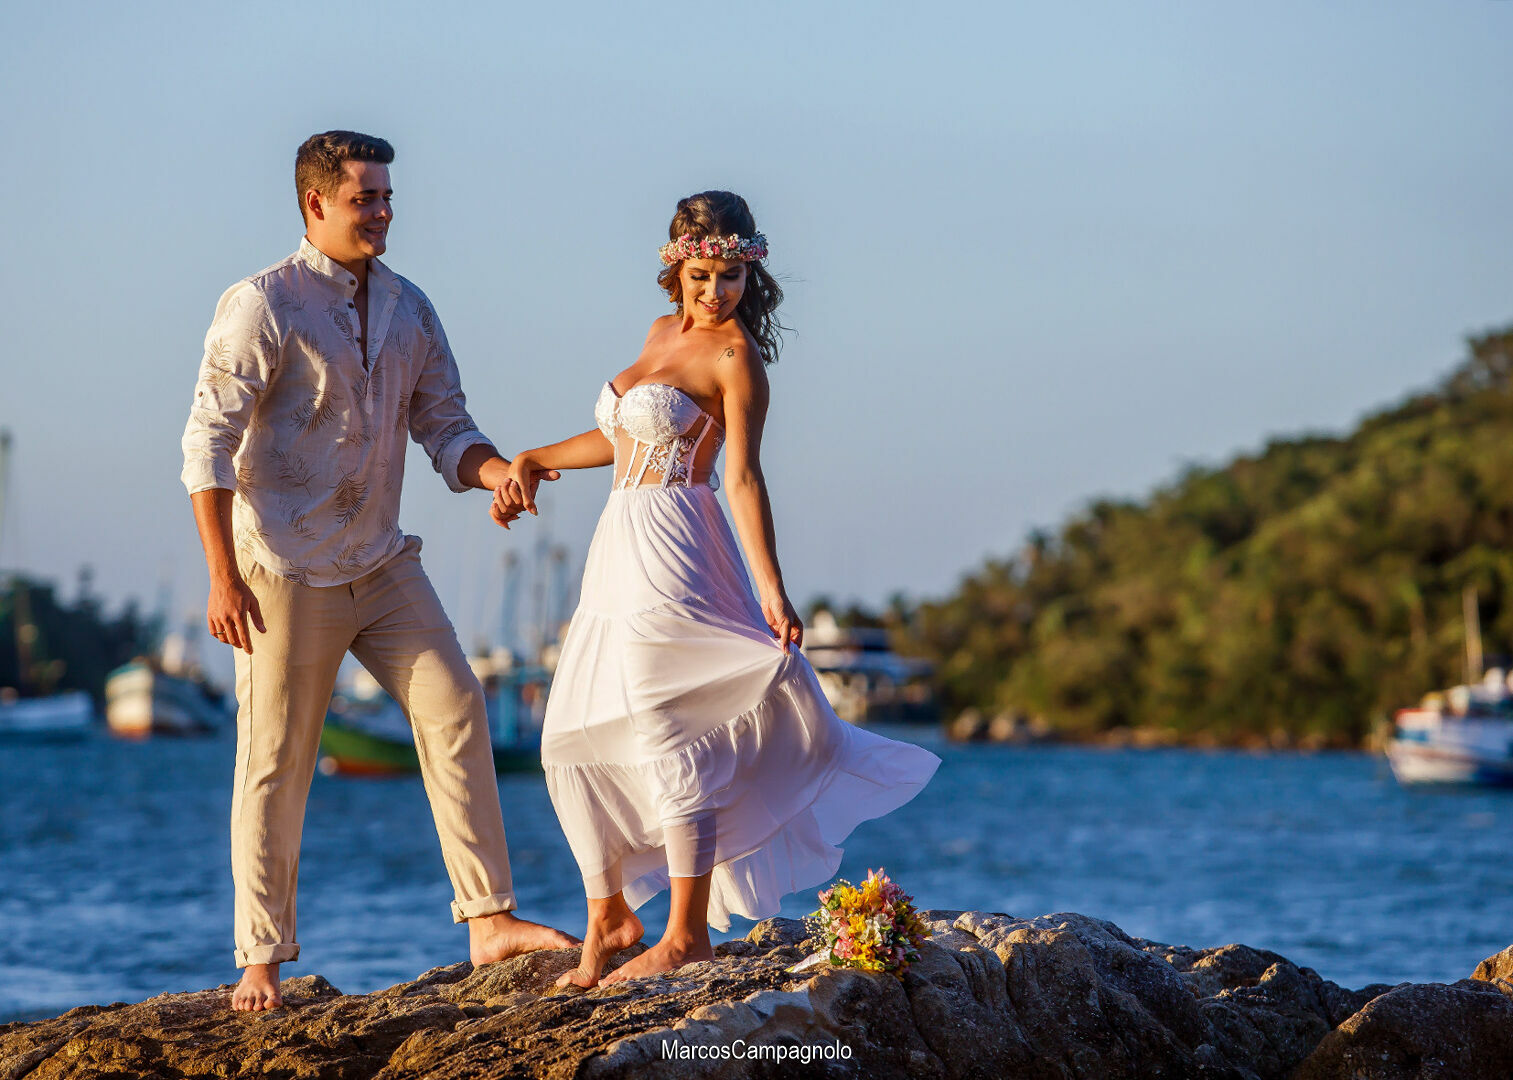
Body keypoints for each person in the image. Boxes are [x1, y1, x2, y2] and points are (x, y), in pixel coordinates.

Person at [493, 191, 940, 986]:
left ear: (747, 271)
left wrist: (771, 588)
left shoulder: (735, 357)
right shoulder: (661, 333)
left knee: (672, 728)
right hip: (615, 549)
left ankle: (685, 933)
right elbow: (622, 433)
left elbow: (741, 476)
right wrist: (532, 456)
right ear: (676, 269)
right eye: (701, 275)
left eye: (729, 276)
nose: (715, 292)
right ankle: (608, 916)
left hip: (679, 545)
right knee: (569, 732)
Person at [180, 130, 573, 1012]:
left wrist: (497, 473)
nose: (384, 211)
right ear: (315, 204)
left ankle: (488, 921)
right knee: (275, 761)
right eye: (366, 197)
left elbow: (446, 426)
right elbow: (204, 446)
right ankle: (260, 961)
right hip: (279, 567)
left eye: (388, 195)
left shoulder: (410, 307)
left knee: (456, 703)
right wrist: (221, 575)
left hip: (382, 560)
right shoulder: (260, 305)